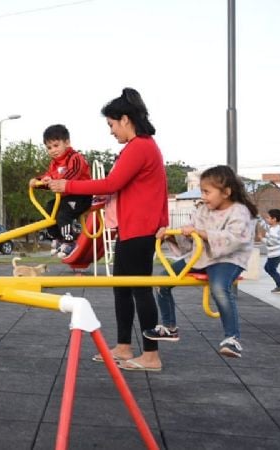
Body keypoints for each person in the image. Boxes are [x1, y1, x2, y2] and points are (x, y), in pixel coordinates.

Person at [51, 88, 168, 372]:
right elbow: (125, 189)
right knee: (122, 289)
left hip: (139, 229)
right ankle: (125, 347)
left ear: (125, 119)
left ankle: (151, 355)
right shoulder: (140, 147)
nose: (111, 131)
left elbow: (111, 183)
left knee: (139, 289)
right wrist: (96, 203)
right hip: (132, 228)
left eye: (112, 125)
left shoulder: (141, 145)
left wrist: (69, 186)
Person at [146, 165, 257, 358]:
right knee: (162, 281)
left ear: (226, 192)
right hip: (201, 257)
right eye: (202, 191)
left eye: (207, 192)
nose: (203, 196)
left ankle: (232, 339)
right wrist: (171, 236)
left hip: (228, 258)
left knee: (219, 288)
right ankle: (169, 326)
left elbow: (236, 238)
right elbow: (190, 239)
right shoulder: (203, 211)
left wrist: (201, 233)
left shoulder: (239, 211)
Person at [29, 124, 92, 258]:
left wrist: (53, 181)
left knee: (63, 214)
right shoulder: (54, 163)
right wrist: (38, 181)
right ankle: (57, 238)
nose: (52, 150)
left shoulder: (75, 158)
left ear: (67, 143)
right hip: (65, 197)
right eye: (49, 148)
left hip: (81, 196)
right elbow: (50, 179)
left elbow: (72, 174)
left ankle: (70, 240)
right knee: (49, 209)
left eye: (56, 145)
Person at [260, 208, 280, 294]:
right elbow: (264, 225)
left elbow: (271, 243)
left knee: (271, 269)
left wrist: (262, 239)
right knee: (268, 268)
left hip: (276, 254)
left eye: (268, 218)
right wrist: (256, 216)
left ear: (274, 219)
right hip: (274, 254)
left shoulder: (274, 231)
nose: (266, 219)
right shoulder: (272, 227)